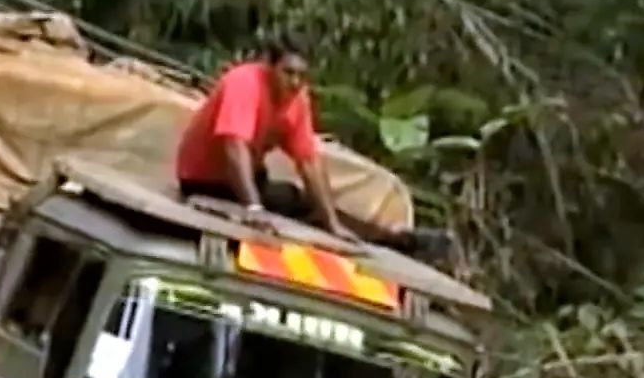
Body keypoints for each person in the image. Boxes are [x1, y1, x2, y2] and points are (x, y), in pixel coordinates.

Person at [175, 41, 456, 265]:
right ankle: (393, 239)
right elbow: (233, 148)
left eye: (301, 75)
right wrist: (253, 208)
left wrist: (331, 223)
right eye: (288, 73)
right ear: (268, 66)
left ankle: (397, 240)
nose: (295, 82)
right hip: (205, 178)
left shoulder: (296, 99)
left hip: (248, 179)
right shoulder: (244, 83)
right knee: (287, 202)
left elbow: (309, 161)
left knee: (305, 203)